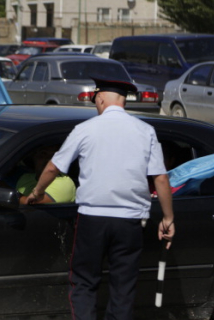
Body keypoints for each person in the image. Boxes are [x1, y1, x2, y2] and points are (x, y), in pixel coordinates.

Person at [26, 75, 175, 320]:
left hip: (91, 219)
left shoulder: (85, 129)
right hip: (130, 222)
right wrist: (168, 218)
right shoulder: (145, 131)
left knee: (84, 282)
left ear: (101, 99)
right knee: (123, 288)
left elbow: (53, 167)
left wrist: (37, 193)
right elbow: (160, 178)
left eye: (95, 99)